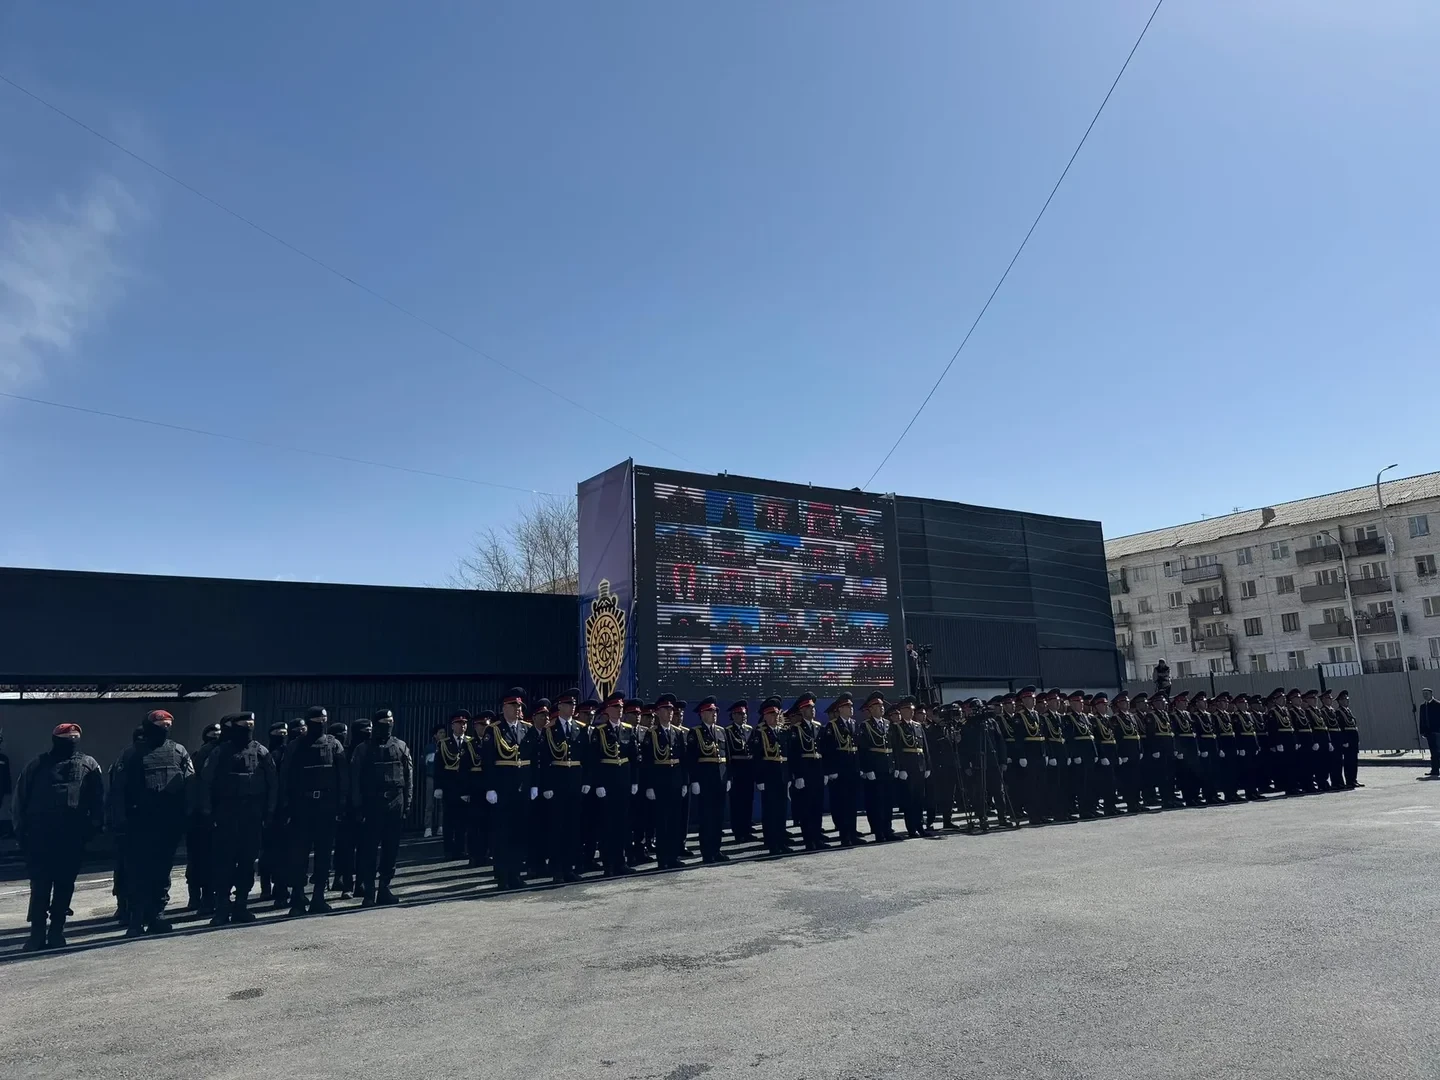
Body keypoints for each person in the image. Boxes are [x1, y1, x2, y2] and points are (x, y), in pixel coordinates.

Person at [13, 723, 103, 950]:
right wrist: (20, 831)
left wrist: (93, 828)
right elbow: (20, 800)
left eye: (73, 739)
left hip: (69, 837)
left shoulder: (88, 765)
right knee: (42, 886)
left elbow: (97, 800)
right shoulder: (37, 765)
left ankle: (55, 932)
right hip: (41, 837)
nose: (70, 743)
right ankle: (38, 934)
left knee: (62, 885)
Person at [121, 709, 194, 935]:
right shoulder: (132, 754)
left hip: (168, 823)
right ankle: (136, 918)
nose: (164, 730)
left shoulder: (179, 751)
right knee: (138, 871)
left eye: (167, 726)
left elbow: (190, 785)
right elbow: (118, 791)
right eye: (159, 726)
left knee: (162, 872)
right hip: (139, 824)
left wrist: (188, 817)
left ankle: (157, 915)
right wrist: (120, 822)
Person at [200, 712, 278, 925]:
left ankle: (241, 905)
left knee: (246, 863)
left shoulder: (261, 751)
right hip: (226, 816)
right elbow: (206, 782)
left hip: (251, 817)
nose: (248, 729)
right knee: (223, 863)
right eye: (244, 726)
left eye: (251, 725)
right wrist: (207, 812)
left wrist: (269, 812)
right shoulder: (220, 752)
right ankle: (222, 907)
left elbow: (273, 783)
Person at [280, 706, 348, 916]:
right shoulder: (295, 746)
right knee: (298, 855)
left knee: (324, 855)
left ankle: (319, 896)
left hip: (326, 807)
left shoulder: (334, 745)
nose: (321, 724)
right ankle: (298, 898)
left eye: (323, 720)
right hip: (302, 807)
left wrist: (341, 806)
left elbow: (343, 778)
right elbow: (285, 778)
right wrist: (286, 808)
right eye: (317, 720)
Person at [350, 708, 413, 906]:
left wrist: (407, 803)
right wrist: (357, 807)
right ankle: (369, 892)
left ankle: (384, 888)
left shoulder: (400, 746)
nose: (388, 726)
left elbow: (408, 777)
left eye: (390, 722)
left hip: (395, 803)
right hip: (372, 804)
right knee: (369, 849)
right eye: (384, 723)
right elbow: (355, 780)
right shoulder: (363, 749)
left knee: (391, 849)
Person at [481, 689, 536, 890]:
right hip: (503, 788)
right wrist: (490, 788)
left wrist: (534, 784)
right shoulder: (494, 730)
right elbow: (487, 761)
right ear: (504, 708)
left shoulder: (527, 728)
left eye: (519, 706)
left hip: (522, 787)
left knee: (519, 832)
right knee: (502, 833)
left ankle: (516, 874)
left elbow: (534, 758)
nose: (518, 709)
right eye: (514, 706)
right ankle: (502, 875)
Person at [585, 692, 637, 877]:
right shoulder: (600, 731)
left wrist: (634, 781)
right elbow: (594, 760)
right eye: (616, 707)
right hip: (607, 782)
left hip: (623, 780)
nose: (619, 710)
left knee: (622, 824)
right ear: (607, 710)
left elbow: (634, 758)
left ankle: (620, 861)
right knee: (607, 825)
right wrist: (598, 784)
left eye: (621, 707)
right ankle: (608, 863)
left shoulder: (628, 729)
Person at [536, 695, 585, 882]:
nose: (572, 707)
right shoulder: (550, 729)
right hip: (557, 782)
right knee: (557, 827)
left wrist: (586, 781)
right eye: (568, 704)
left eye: (573, 704)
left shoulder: (579, 728)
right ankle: (556, 869)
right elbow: (544, 759)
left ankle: (569, 868)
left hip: (575, 781)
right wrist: (546, 785)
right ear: (560, 706)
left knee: (573, 827)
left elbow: (586, 757)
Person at [639, 694, 688, 869]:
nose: (669, 713)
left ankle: (673, 856)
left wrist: (684, 782)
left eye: (671, 710)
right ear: (658, 713)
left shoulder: (678, 732)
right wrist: (649, 786)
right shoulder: (651, 734)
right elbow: (647, 762)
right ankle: (662, 859)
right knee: (662, 822)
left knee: (675, 821)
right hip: (660, 782)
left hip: (675, 780)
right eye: (666, 710)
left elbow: (683, 760)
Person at [106, 726, 143, 924]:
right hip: (126, 823)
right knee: (125, 868)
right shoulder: (125, 759)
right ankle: (123, 906)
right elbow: (114, 795)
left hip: (145, 821)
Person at [685, 697, 730, 862]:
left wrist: (728, 777)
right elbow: (691, 759)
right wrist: (694, 780)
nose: (714, 714)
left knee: (718, 817)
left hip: (720, 780)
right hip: (705, 781)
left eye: (715, 711)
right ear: (702, 713)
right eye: (710, 711)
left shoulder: (721, 731)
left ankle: (716, 850)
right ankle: (707, 852)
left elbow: (727, 756)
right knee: (706, 817)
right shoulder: (695, 732)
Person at [184, 722, 222, 914]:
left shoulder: (201, 755)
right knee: (204, 859)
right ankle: (201, 897)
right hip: (202, 816)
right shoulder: (203, 756)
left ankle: (200, 897)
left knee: (200, 859)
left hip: (203, 815)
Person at [785, 693, 826, 851]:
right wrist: (798, 775)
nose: (812, 710)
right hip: (805, 772)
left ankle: (817, 837)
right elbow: (794, 754)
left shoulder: (818, 727)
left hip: (818, 771)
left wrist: (825, 772)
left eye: (813, 707)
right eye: (809, 708)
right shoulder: (796, 729)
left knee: (817, 806)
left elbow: (824, 751)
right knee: (806, 808)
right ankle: (809, 840)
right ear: (802, 711)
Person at [819, 694, 862, 846]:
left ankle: (853, 834)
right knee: (842, 804)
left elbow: (857, 748)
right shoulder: (832, 726)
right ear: (840, 709)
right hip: (840, 770)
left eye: (851, 706)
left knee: (852, 804)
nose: (851, 709)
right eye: (847, 707)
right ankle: (845, 836)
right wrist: (831, 770)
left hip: (852, 769)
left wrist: (860, 767)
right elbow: (828, 750)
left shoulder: (854, 724)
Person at [751, 698, 791, 855]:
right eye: (772, 714)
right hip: (769, 777)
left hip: (782, 776)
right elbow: (757, 758)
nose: (775, 717)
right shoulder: (760, 733)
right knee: (770, 811)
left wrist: (789, 776)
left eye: (777, 714)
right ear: (765, 716)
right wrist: (759, 779)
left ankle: (781, 841)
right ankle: (772, 842)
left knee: (781, 811)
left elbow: (787, 756)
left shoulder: (783, 731)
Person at [888, 696, 930, 838]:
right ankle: (911, 828)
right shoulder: (897, 727)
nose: (911, 712)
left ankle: (920, 826)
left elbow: (925, 748)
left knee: (919, 799)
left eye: (912, 709)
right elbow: (897, 749)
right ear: (901, 711)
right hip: (908, 767)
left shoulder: (918, 726)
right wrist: (901, 768)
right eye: (908, 709)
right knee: (909, 800)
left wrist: (928, 766)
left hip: (920, 766)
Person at [258, 720, 289, 905]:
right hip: (269, 810)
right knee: (267, 852)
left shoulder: (290, 753)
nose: (282, 737)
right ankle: (266, 887)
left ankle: (279, 888)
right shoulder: (265, 755)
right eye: (279, 734)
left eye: (284, 734)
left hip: (284, 810)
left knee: (282, 852)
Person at [434, 710, 471, 859]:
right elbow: (438, 767)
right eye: (459, 723)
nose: (462, 726)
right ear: (452, 726)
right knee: (449, 820)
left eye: (464, 723)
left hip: (464, 787)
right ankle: (448, 851)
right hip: (449, 787)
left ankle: (461, 850)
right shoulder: (444, 743)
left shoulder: (470, 742)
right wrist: (438, 786)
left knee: (463, 821)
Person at [859, 692, 896, 841]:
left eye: (882, 706)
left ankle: (888, 830)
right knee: (877, 802)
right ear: (871, 709)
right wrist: (868, 769)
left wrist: (895, 766)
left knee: (888, 801)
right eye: (878, 706)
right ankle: (879, 832)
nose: (881, 708)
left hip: (888, 767)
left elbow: (893, 746)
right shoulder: (866, 725)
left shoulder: (888, 724)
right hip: (876, 768)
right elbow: (864, 749)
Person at [1012, 688, 1048, 824]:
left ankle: (1042, 814)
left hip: (1040, 755)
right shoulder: (1019, 717)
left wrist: (1045, 753)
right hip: (1029, 756)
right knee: (1032, 787)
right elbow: (1019, 738)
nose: (1033, 701)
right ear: (1024, 700)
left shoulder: (1037, 715)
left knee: (1041, 786)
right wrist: (1021, 756)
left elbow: (1043, 737)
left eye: (1033, 699)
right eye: (1030, 699)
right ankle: (1034, 816)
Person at [923, 702, 960, 831]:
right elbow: (930, 747)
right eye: (938, 716)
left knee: (949, 794)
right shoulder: (930, 730)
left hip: (950, 765)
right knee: (934, 795)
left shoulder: (950, 727)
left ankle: (947, 820)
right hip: (937, 766)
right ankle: (930, 821)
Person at [1137, 693, 1178, 809]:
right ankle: (1166, 800)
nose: (1164, 704)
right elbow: (1151, 734)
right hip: (1160, 750)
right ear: (1155, 703)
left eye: (1164, 702)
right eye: (1161, 702)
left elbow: (1171, 733)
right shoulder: (1151, 716)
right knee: (1163, 776)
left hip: (1168, 749)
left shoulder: (1165, 715)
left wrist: (1174, 748)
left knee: (1170, 775)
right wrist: (1155, 749)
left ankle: (1171, 798)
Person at [724, 701, 756, 844]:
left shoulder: (749, 730)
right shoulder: (728, 731)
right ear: (734, 715)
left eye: (745, 714)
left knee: (748, 801)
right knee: (737, 803)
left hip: (748, 770)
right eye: (740, 714)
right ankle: (738, 832)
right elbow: (728, 754)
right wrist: (729, 775)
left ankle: (747, 830)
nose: (744, 716)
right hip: (737, 770)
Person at [464, 712, 491, 867]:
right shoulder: (469, 744)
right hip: (475, 787)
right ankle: (474, 855)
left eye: (486, 725)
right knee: (474, 824)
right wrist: (465, 790)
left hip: (488, 786)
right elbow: (463, 769)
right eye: (482, 726)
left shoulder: (492, 741)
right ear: (476, 727)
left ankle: (486, 853)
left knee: (488, 823)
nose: (484, 728)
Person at [1088, 694, 1120, 816]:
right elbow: (1097, 740)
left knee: (1113, 782)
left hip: (1112, 753)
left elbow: (1113, 738)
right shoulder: (1094, 720)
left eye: (1106, 705)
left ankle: (1112, 806)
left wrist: (1117, 754)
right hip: (1104, 754)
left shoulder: (1107, 719)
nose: (1106, 707)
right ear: (1096, 707)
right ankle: (1108, 807)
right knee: (1106, 783)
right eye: (1103, 705)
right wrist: (1102, 756)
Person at [1264, 689, 1297, 796]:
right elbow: (1272, 729)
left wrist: (1295, 740)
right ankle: (1288, 787)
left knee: (1292, 765)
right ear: (1275, 700)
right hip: (1282, 741)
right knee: (1285, 766)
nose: (1283, 700)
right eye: (1281, 698)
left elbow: (1291, 726)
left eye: (1284, 698)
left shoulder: (1286, 710)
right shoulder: (1273, 712)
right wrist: (1277, 743)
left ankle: (1293, 786)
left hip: (1290, 741)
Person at [1334, 689, 1362, 789]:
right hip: (1347, 740)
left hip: (1353, 740)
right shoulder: (1339, 712)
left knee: (1354, 761)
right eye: (1344, 700)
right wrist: (1344, 741)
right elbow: (1341, 728)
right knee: (1348, 761)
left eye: (1347, 699)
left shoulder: (1348, 711)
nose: (1347, 701)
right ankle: (1349, 780)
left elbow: (1354, 726)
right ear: (1340, 701)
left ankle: (1354, 779)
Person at [1420, 688, 1440, 779]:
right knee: (1433, 751)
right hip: (1429, 732)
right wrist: (1422, 731)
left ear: (1431, 694)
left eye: (1426, 693)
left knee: (1438, 751)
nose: (1425, 695)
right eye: (1424, 694)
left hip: (1437, 731)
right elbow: (1421, 720)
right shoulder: (1423, 706)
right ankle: (1435, 770)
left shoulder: (1437, 704)